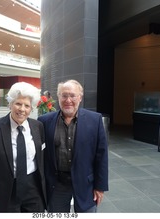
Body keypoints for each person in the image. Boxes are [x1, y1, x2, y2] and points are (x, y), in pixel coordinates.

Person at [38, 79, 109, 213]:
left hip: (85, 183)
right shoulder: (44, 121)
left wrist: (100, 186)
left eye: (72, 95)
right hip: (56, 183)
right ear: (58, 97)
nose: (68, 100)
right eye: (64, 95)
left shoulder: (95, 120)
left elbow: (101, 155)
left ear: (80, 98)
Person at [0, 82, 47, 213]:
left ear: (31, 109)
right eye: (18, 103)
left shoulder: (38, 126)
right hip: (6, 191)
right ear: (10, 104)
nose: (22, 109)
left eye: (27, 105)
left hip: (33, 189)